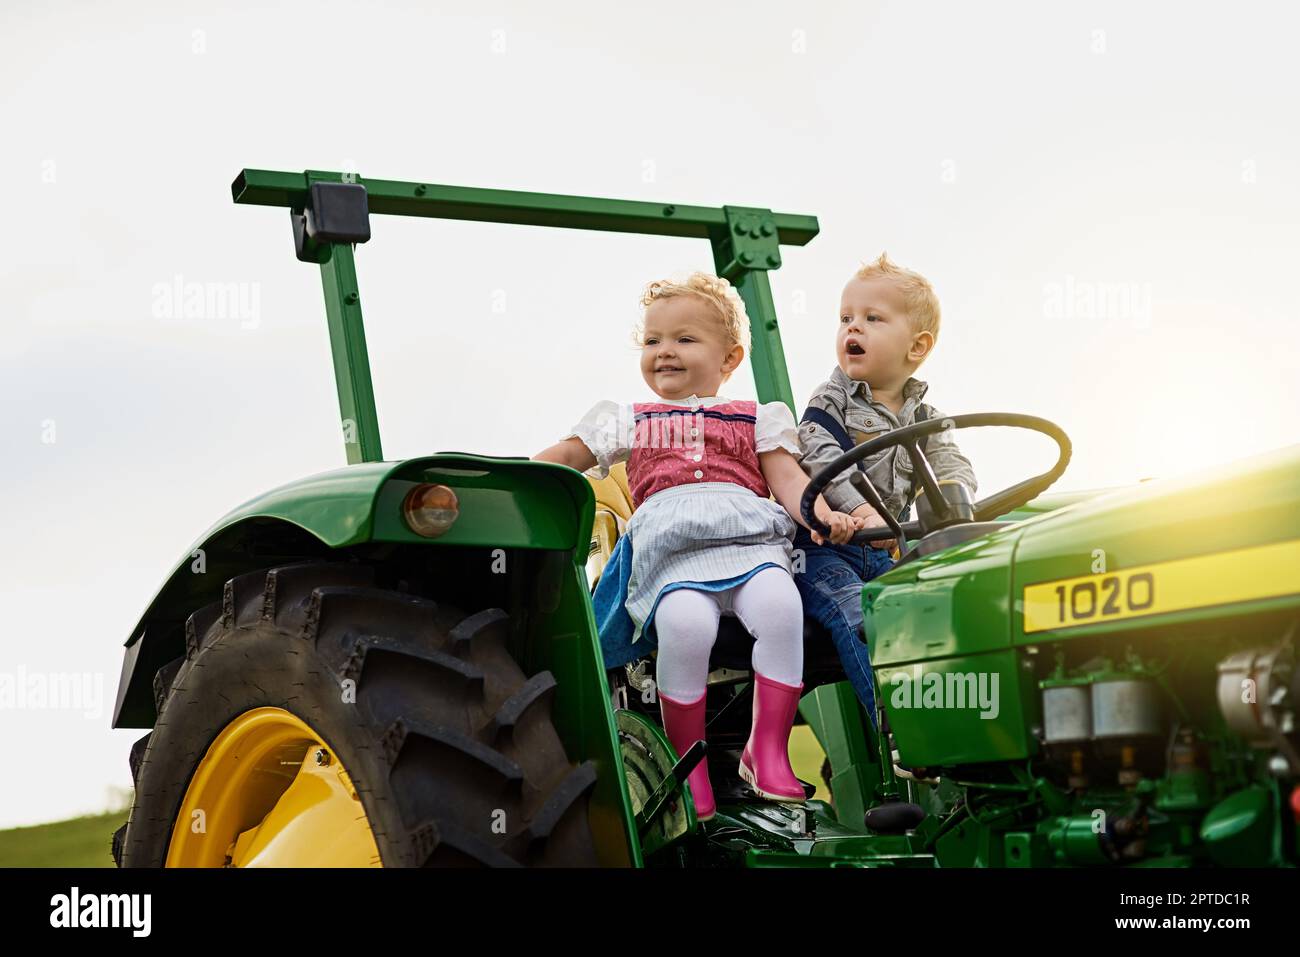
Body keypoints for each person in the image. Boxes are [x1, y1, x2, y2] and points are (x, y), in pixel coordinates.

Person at [533, 272, 862, 820]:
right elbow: (565, 459)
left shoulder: (758, 418)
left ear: (729, 357)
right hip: (674, 557)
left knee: (782, 610)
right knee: (686, 627)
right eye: (653, 340)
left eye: (684, 340)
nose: (665, 352)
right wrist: (511, 478)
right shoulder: (629, 420)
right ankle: (691, 767)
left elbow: (788, 480)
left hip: (752, 547)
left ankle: (767, 751)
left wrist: (824, 513)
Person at [794, 253, 978, 727]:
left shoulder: (924, 415)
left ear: (917, 347)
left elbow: (949, 460)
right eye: (845, 319)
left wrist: (956, 498)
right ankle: (901, 727)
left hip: (888, 551)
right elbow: (820, 458)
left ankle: (962, 719)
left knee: (941, 613)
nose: (852, 329)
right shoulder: (830, 399)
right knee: (862, 616)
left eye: (872, 319)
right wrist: (861, 510)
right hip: (823, 551)